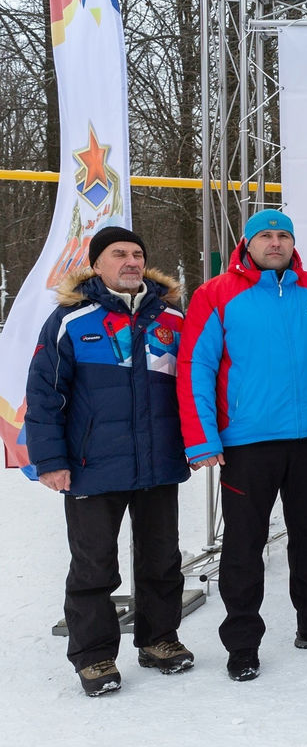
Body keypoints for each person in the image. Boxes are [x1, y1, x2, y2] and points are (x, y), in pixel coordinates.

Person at [178, 209, 307, 682]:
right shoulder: (215, 294)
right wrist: (201, 440)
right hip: (247, 443)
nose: (275, 243)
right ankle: (242, 643)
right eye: (265, 236)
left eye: (283, 235)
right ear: (247, 243)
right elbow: (195, 368)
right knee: (243, 545)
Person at [25, 227, 193, 696]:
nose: (131, 261)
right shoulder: (71, 320)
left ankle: (160, 639)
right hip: (90, 466)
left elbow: (194, 389)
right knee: (94, 565)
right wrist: (51, 460)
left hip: (159, 463)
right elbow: (43, 394)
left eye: (138, 254)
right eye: (119, 254)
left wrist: (196, 444)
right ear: (97, 264)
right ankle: (95, 656)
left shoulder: (173, 319)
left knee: (162, 561)